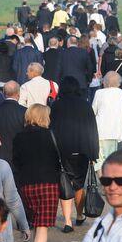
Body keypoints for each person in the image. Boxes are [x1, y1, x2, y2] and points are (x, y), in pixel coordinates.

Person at [13, 104, 60, 242]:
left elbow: (16, 162)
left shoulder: (19, 136)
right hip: (48, 183)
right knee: (42, 226)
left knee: (37, 224)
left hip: (27, 186)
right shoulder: (51, 134)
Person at [50, 77, 99, 233]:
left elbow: (53, 128)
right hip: (82, 149)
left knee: (65, 182)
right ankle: (78, 215)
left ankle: (67, 221)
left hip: (62, 150)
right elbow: (92, 129)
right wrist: (94, 152)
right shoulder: (85, 105)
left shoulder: (57, 105)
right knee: (78, 184)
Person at [92, 71, 122, 172]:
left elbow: (93, 112)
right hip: (117, 133)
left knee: (100, 162)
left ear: (104, 82)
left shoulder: (99, 93)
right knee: (115, 162)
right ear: (119, 83)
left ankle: (104, 183)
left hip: (100, 133)